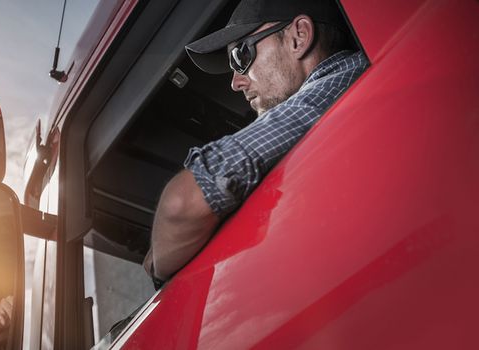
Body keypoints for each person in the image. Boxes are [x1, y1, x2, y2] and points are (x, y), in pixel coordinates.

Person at [143, 0, 369, 286]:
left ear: (299, 36)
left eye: (241, 56)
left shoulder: (330, 87)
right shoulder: (347, 81)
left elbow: (183, 203)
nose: (235, 82)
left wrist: (156, 267)